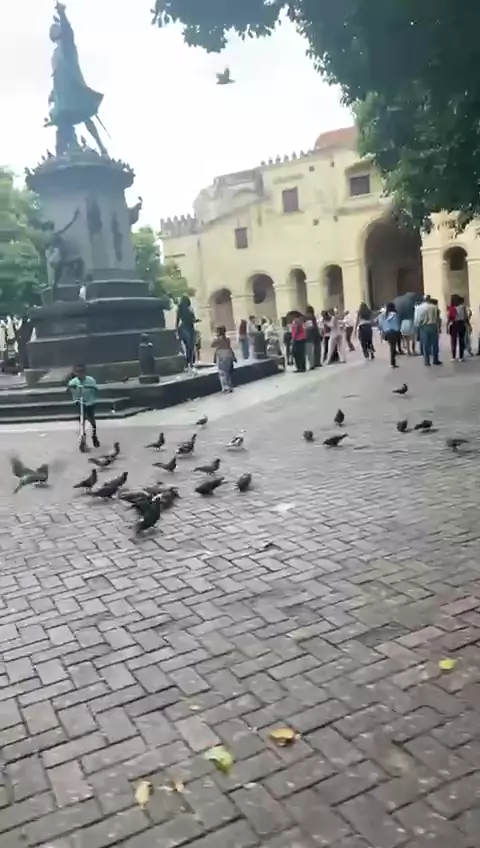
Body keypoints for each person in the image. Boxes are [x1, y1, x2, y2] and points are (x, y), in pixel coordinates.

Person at [68, 364, 100, 447]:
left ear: (85, 372)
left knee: (91, 418)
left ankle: (94, 435)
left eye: (82, 372)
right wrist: (72, 389)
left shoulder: (91, 380)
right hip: (80, 402)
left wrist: (92, 389)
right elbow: (71, 390)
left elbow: (95, 390)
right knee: (81, 418)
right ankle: (83, 434)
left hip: (90, 402)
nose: (80, 374)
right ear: (75, 373)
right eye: (78, 372)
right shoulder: (73, 382)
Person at [415, 295, 441, 366]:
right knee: (435, 344)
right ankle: (435, 359)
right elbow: (438, 318)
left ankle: (427, 361)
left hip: (423, 327)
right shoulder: (434, 307)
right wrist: (439, 327)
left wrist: (417, 327)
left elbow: (417, 319)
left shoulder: (419, 308)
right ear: (429, 299)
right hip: (433, 326)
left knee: (425, 344)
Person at [212, 326, 236, 392]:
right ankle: (229, 386)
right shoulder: (227, 339)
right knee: (227, 372)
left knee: (222, 372)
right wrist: (233, 357)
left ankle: (225, 387)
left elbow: (212, 345)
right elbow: (229, 348)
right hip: (228, 356)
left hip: (221, 357)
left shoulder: (218, 340)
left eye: (217, 332)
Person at [176, 296, 197, 370]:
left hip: (185, 328)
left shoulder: (180, 310)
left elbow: (177, 320)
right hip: (188, 328)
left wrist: (177, 329)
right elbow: (193, 319)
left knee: (188, 347)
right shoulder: (188, 310)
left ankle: (188, 363)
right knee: (190, 347)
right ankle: (189, 362)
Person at [379, 302, 401, 368]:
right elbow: (398, 323)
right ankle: (392, 362)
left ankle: (392, 362)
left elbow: (380, 324)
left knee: (391, 346)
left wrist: (382, 331)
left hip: (387, 332)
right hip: (394, 332)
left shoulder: (383, 315)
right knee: (393, 347)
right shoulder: (395, 314)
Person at [447, 294, 468, 362]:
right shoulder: (463, 307)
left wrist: (447, 326)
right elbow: (466, 317)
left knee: (453, 341)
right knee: (461, 340)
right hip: (461, 324)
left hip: (454, 324)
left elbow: (449, 318)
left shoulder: (451, 308)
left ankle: (453, 357)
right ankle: (461, 357)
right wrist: (469, 325)